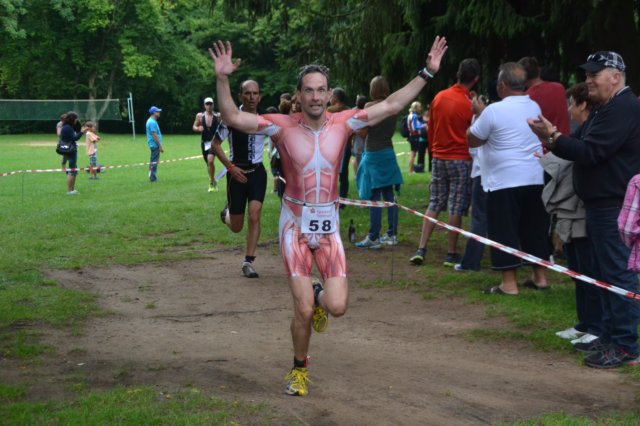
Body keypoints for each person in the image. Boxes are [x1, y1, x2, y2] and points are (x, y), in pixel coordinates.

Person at [209, 35, 448, 396]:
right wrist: (222, 78)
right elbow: (231, 116)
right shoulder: (280, 125)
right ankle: (299, 370)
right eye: (309, 90)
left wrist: (427, 72)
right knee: (303, 310)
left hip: (328, 226)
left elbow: (393, 103)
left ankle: (319, 291)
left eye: (321, 90)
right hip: (294, 225)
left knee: (336, 307)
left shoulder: (345, 122)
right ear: (299, 94)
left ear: (328, 93)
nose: (315, 97)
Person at [529, 51, 640, 369]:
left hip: (612, 207)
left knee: (617, 276)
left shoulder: (622, 107)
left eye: (594, 74)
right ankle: (610, 336)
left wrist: (552, 136)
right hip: (601, 206)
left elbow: (590, 152)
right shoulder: (606, 108)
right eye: (587, 74)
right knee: (605, 275)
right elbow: (577, 144)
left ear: (615, 77)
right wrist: (553, 136)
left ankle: (626, 347)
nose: (588, 80)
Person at [467, 62, 550, 295]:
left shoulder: (493, 110)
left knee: (504, 230)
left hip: (503, 180)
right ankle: (540, 277)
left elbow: (473, 139)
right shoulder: (533, 106)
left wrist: (478, 114)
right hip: (534, 176)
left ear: (502, 85)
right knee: (534, 227)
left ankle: (509, 283)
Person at [538, 82, 602, 345]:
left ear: (583, 105)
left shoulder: (595, 129)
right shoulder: (582, 129)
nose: (568, 109)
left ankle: (596, 327)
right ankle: (584, 323)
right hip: (572, 210)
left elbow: (582, 156)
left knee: (590, 270)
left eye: (571, 104)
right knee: (577, 269)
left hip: (585, 210)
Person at [409, 58, 480, 266]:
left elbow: (431, 128)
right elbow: (476, 132)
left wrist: (433, 152)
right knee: (455, 206)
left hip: (439, 157)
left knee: (435, 202)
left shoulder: (439, 97)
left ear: (458, 74)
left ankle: (421, 248)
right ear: (475, 79)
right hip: (461, 160)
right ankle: (451, 253)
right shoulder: (469, 104)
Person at [212, 80, 268, 279]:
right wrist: (231, 167)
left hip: (257, 173)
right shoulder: (231, 119)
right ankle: (226, 214)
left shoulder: (266, 119)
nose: (252, 97)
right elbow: (215, 145)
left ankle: (248, 261)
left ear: (259, 96)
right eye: (248, 93)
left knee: (254, 215)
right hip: (236, 174)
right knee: (236, 227)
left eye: (255, 93)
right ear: (240, 96)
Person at [355, 76, 402, 249]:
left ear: (372, 89)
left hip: (373, 153)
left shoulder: (369, 106)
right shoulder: (394, 107)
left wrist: (353, 123)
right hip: (388, 152)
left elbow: (363, 133)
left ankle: (373, 236)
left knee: (374, 196)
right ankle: (392, 234)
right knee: (389, 195)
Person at [518, 57, 570, 136]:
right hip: (564, 139)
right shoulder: (559, 88)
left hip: (545, 142)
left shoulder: (526, 98)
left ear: (521, 78)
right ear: (539, 70)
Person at [193, 97, 221, 192]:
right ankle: (213, 180)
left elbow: (224, 126)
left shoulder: (218, 116)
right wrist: (198, 128)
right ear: (204, 105)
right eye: (207, 104)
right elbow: (194, 126)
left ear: (213, 105)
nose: (209, 106)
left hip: (214, 142)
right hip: (204, 143)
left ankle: (211, 183)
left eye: (210, 104)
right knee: (208, 163)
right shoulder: (200, 116)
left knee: (210, 160)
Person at [329, 88, 351, 205]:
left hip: (332, 146)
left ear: (336, 98)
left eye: (331, 96)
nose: (330, 98)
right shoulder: (349, 111)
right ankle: (342, 199)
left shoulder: (329, 110)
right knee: (343, 174)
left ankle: (332, 198)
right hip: (346, 145)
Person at [59, 111, 87, 195]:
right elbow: (75, 138)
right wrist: (82, 132)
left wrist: (80, 127)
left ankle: (72, 189)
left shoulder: (68, 126)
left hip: (69, 149)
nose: (77, 120)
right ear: (72, 119)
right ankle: (69, 191)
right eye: (76, 119)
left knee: (74, 169)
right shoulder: (67, 128)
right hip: (70, 150)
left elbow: (77, 129)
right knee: (72, 170)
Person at [406, 101, 426, 173]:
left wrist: (423, 124)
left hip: (412, 135)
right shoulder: (414, 116)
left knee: (413, 153)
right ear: (416, 108)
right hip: (414, 136)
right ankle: (411, 171)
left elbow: (417, 124)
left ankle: (411, 170)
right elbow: (415, 127)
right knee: (412, 153)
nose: (420, 108)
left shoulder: (411, 115)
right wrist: (423, 126)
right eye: (419, 107)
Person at [146, 106, 164, 182]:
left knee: (153, 161)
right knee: (154, 162)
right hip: (155, 145)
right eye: (157, 111)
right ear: (153, 113)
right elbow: (154, 134)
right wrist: (160, 146)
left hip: (153, 144)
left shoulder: (151, 121)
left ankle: (151, 175)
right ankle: (153, 178)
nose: (159, 113)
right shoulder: (152, 122)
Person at [351, 95, 367, 174]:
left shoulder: (354, 113)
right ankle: (358, 176)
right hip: (360, 142)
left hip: (359, 142)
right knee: (359, 160)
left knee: (358, 160)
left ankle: (357, 176)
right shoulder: (366, 113)